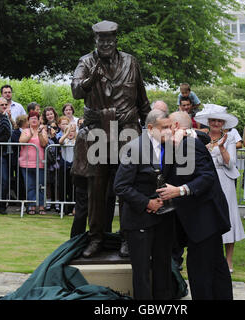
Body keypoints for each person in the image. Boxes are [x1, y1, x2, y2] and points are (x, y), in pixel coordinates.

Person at [71, 20, 150, 258]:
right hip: (98, 132)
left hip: (127, 130)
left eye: (109, 40)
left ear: (115, 41)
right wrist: (90, 80)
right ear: (95, 41)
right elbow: (76, 90)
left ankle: (127, 236)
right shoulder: (86, 62)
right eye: (100, 40)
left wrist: (153, 132)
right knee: (96, 187)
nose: (105, 44)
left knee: (127, 186)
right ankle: (96, 237)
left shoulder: (130, 62)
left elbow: (142, 99)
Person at [156, 111, 233, 300]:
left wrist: (179, 191)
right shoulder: (176, 145)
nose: (160, 131)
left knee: (202, 274)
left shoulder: (190, 144)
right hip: (195, 222)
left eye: (164, 126)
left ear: (174, 126)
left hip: (205, 220)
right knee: (215, 268)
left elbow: (206, 177)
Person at [114, 109, 174, 300]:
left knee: (163, 269)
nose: (169, 131)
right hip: (139, 220)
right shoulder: (135, 148)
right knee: (141, 273)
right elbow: (121, 186)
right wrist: (147, 202)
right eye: (164, 128)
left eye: (170, 127)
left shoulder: (171, 148)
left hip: (164, 219)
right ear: (150, 128)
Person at [194, 104, 245, 273]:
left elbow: (230, 163)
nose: (216, 123)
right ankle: (211, 258)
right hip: (206, 179)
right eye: (213, 120)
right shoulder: (200, 137)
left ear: (223, 123)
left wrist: (221, 147)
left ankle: (228, 261)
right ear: (208, 121)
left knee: (228, 216)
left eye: (219, 121)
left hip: (225, 178)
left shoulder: (229, 138)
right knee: (208, 216)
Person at [19, 111, 48, 215]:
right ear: (28, 120)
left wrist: (39, 133)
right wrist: (30, 134)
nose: (34, 120)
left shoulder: (43, 130)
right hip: (26, 163)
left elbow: (44, 143)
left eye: (36, 118)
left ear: (39, 120)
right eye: (32, 118)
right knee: (30, 185)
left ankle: (41, 206)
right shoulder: (25, 131)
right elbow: (21, 141)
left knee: (40, 186)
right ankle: (31, 205)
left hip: (40, 163)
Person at [58, 117, 76, 216]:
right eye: (68, 131)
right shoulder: (65, 140)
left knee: (73, 188)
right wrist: (66, 133)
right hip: (64, 166)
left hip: (74, 166)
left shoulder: (76, 141)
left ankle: (73, 207)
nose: (70, 133)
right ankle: (64, 208)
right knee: (63, 187)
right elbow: (60, 141)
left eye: (72, 131)